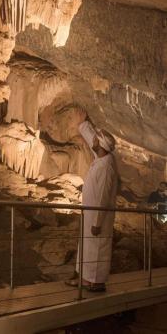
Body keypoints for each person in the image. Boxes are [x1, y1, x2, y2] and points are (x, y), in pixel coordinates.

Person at [66, 109, 118, 292]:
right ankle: (86, 279)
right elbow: (91, 141)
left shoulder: (106, 167)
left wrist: (97, 222)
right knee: (88, 247)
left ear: (101, 145)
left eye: (96, 139)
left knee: (97, 249)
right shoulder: (102, 157)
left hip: (98, 217)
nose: (93, 141)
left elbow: (103, 196)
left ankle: (96, 282)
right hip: (91, 213)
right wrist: (83, 123)